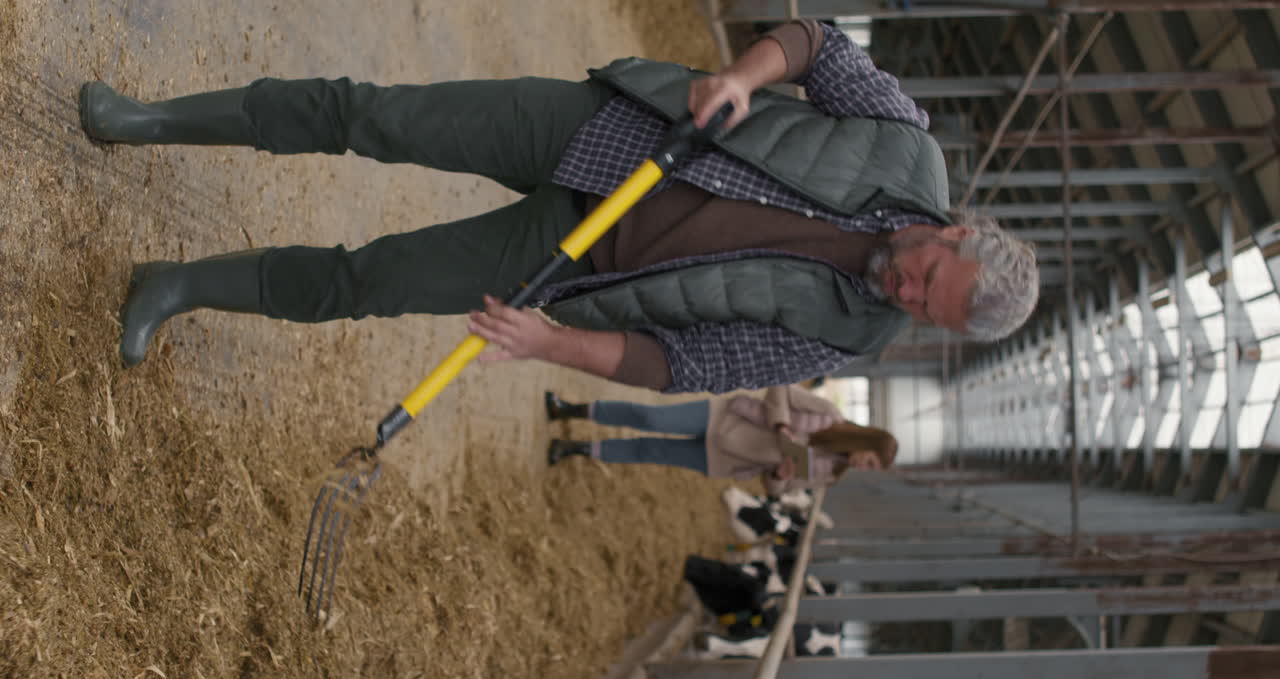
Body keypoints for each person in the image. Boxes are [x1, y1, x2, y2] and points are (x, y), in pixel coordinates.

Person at [80, 19, 1038, 394]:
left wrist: (552, 345)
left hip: (576, 263)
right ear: (956, 231)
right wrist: (741, 77)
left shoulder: (852, 340)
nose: (907, 294)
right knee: (371, 116)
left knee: (370, 281)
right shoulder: (906, 144)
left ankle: (178, 285)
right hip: (606, 132)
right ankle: (151, 120)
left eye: (925, 313)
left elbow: (688, 365)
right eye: (929, 277)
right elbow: (818, 47)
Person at [544, 385, 897, 495]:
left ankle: (576, 450)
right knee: (651, 417)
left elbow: (777, 492)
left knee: (651, 451)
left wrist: (780, 475)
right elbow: (781, 390)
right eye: (869, 461)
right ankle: (572, 410)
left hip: (727, 461)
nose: (860, 467)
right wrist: (782, 427)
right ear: (868, 444)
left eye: (868, 469)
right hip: (726, 417)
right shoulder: (829, 416)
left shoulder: (828, 477)